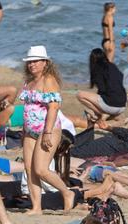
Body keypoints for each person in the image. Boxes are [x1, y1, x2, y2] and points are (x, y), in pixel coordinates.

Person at [19, 45, 75, 214]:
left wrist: (48, 132)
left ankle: (67, 192)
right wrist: (23, 131)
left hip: (47, 129)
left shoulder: (49, 79)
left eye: (36, 61)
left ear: (45, 62)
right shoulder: (29, 81)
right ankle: (37, 207)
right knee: (29, 169)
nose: (32, 64)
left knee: (41, 169)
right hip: (30, 131)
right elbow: (28, 108)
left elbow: (53, 107)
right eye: (30, 62)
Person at [77, 48, 126, 122]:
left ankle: (102, 113)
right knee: (101, 98)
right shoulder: (112, 66)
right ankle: (110, 115)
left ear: (92, 60)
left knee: (79, 95)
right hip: (122, 104)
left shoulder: (98, 69)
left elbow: (102, 89)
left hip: (112, 105)